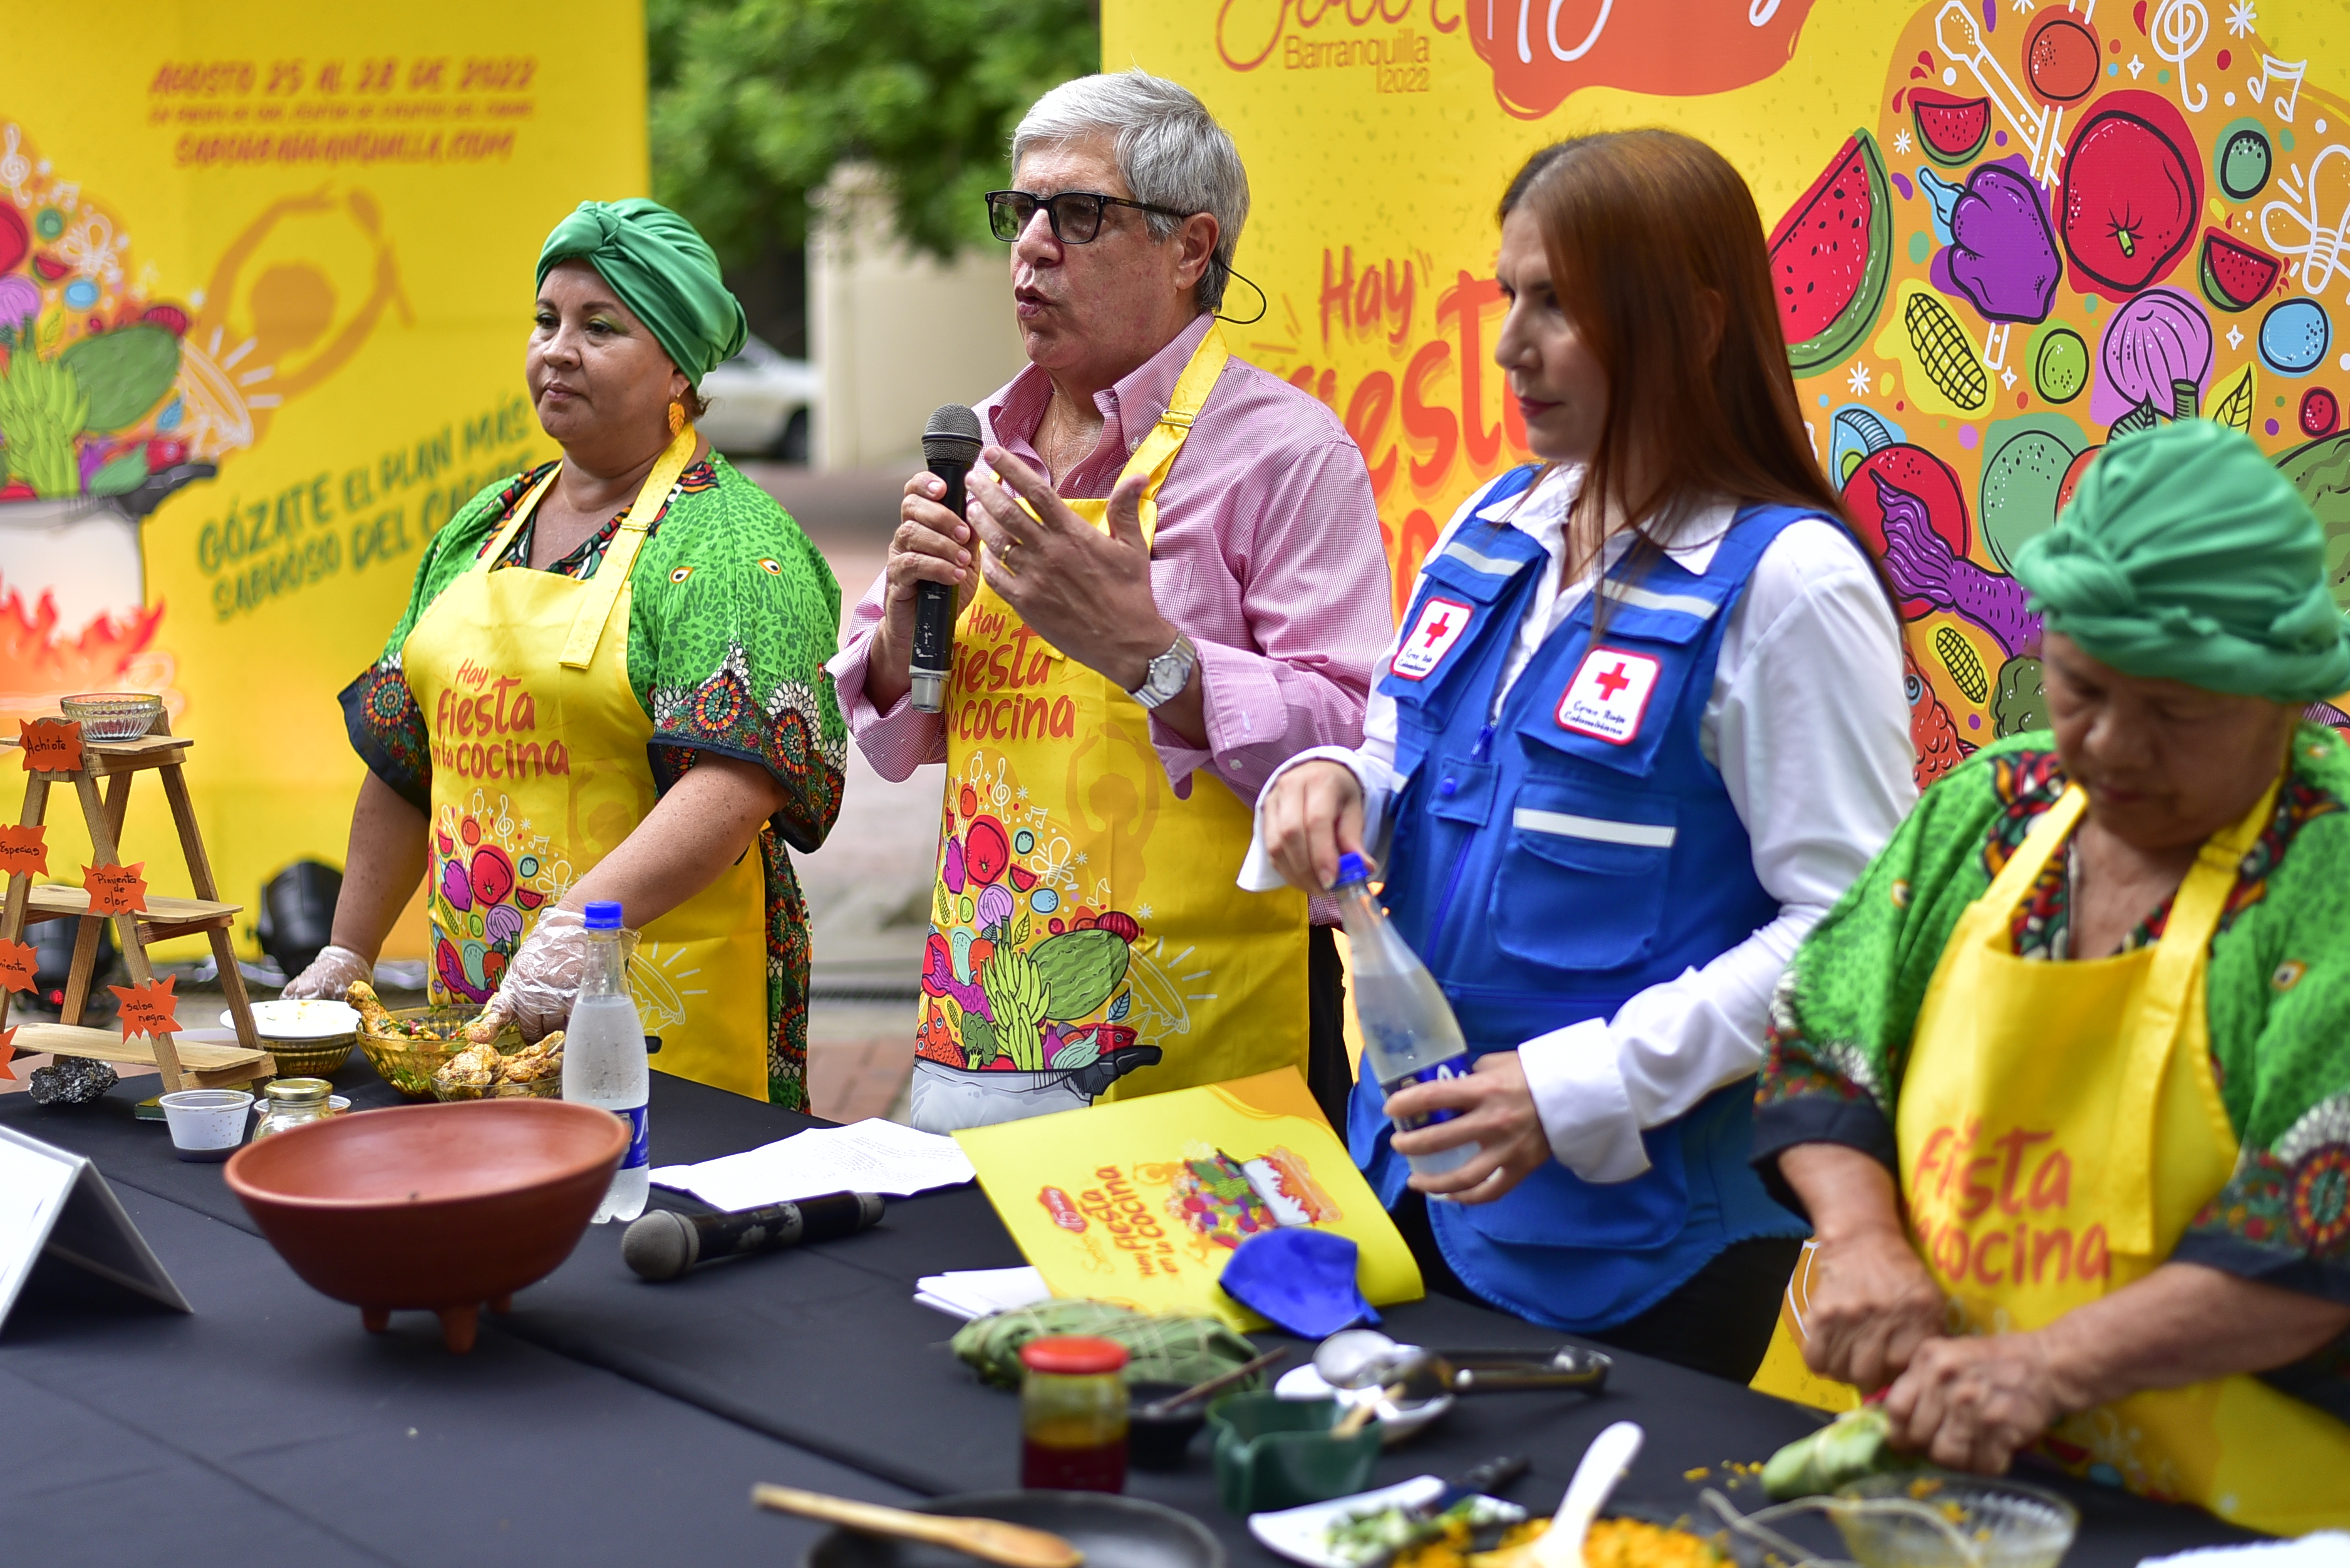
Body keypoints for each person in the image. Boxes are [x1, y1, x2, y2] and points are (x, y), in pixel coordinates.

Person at [1244, 130, 1913, 1382]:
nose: (1510, 345)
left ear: (1696, 320)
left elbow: (1845, 931)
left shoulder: (1790, 584)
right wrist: (1324, 785)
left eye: (1559, 303)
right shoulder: (1493, 522)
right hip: (1407, 1185)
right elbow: (1402, 752)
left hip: (1640, 1243)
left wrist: (1574, 1088)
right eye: (1509, 296)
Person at [1754, 421, 2350, 1530]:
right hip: (1903, 1475)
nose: (2114, 746)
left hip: (2216, 1525)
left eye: (2177, 713)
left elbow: (2311, 1241)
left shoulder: (2330, 871)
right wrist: (1864, 1241)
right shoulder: (1989, 808)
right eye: (2081, 688)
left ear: (2284, 695)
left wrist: (2048, 1367)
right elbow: (1822, 1034)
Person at [827, 70, 1392, 1133]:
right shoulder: (981, 447)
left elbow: (1361, 744)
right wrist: (905, 628)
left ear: (1191, 248)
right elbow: (902, 739)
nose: (1032, 246)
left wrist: (1154, 658)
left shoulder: (1285, 452)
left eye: (1078, 214)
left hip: (1206, 1038)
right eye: (1019, 210)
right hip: (990, 1018)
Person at [284, 199, 847, 1108]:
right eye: (546, 321)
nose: (558, 349)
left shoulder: (736, 545)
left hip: (665, 1019)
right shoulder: (483, 524)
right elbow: (403, 754)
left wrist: (580, 930)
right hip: (475, 1015)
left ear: (677, 366)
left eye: (600, 327)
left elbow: (738, 785)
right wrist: (345, 955)